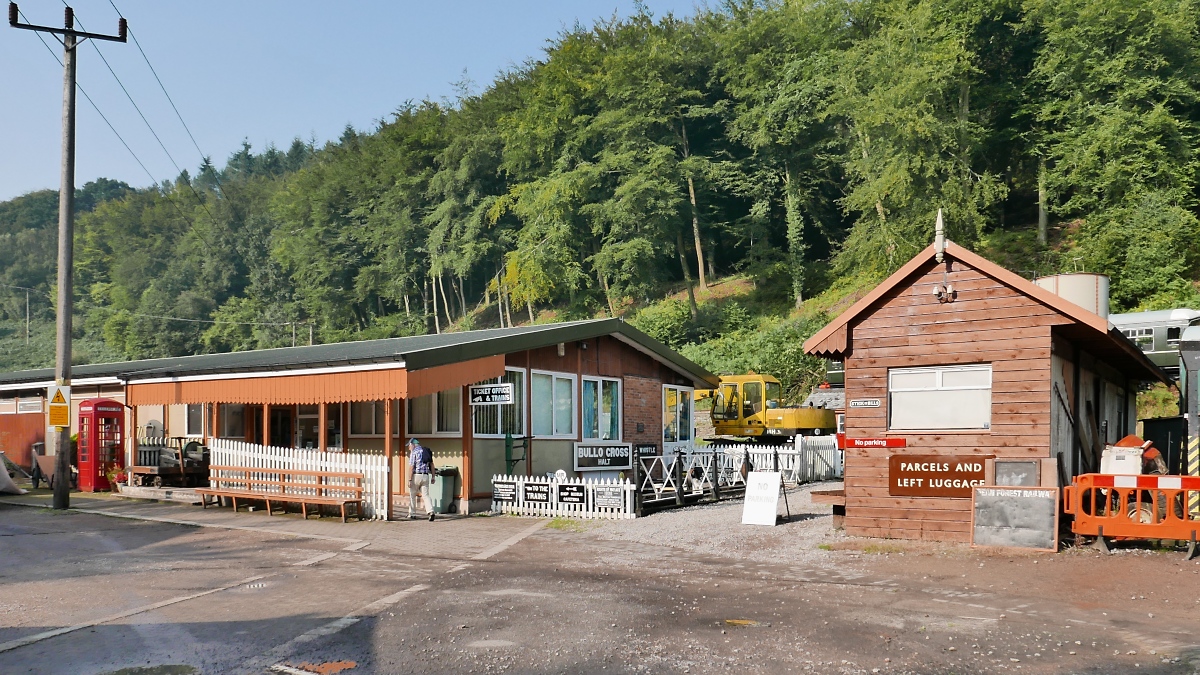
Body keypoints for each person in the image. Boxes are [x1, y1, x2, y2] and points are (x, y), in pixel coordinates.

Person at [408, 437, 436, 521]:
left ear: (413, 445)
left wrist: (409, 479)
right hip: (426, 476)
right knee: (426, 495)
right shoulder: (426, 451)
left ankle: (412, 514)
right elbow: (431, 464)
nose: (409, 448)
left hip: (416, 476)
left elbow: (411, 466)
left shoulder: (414, 453)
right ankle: (431, 511)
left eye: (409, 446)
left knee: (412, 495)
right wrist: (433, 476)